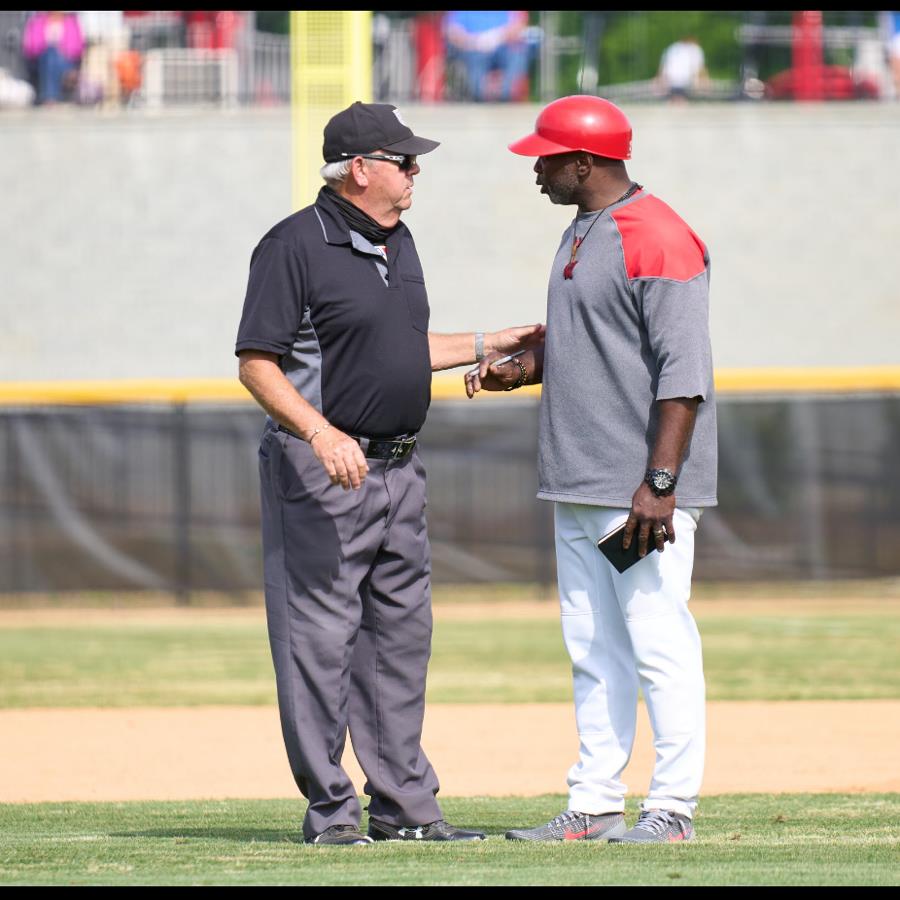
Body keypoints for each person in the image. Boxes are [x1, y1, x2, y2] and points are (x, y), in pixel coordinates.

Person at [235, 101, 543, 846]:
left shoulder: (399, 241)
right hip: (324, 475)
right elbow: (256, 362)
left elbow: (398, 346)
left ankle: (406, 809)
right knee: (319, 643)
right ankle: (332, 815)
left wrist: (484, 341)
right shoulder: (293, 244)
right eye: (404, 161)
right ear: (360, 169)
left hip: (400, 473)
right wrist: (317, 431)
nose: (414, 172)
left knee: (399, 644)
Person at [467, 95, 717, 843]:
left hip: (637, 491)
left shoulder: (659, 236)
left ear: (584, 162)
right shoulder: (584, 228)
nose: (535, 169)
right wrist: (525, 367)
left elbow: (684, 373)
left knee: (657, 641)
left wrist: (660, 485)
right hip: (578, 480)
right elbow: (597, 343)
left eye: (544, 158)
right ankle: (597, 801)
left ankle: (672, 808)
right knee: (593, 648)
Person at [21, 11, 84, 105]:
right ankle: (52, 97)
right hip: (42, 60)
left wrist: (61, 52)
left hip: (66, 61)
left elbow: (77, 48)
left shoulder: (71, 21)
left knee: (53, 56)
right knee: (50, 54)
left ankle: (49, 98)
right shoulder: (37, 20)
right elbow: (30, 47)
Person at [657, 36, 708, 102]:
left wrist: (660, 80)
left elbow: (664, 68)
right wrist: (705, 82)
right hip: (685, 81)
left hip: (670, 81)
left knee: (675, 99)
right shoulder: (695, 49)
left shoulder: (672, 48)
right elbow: (700, 69)